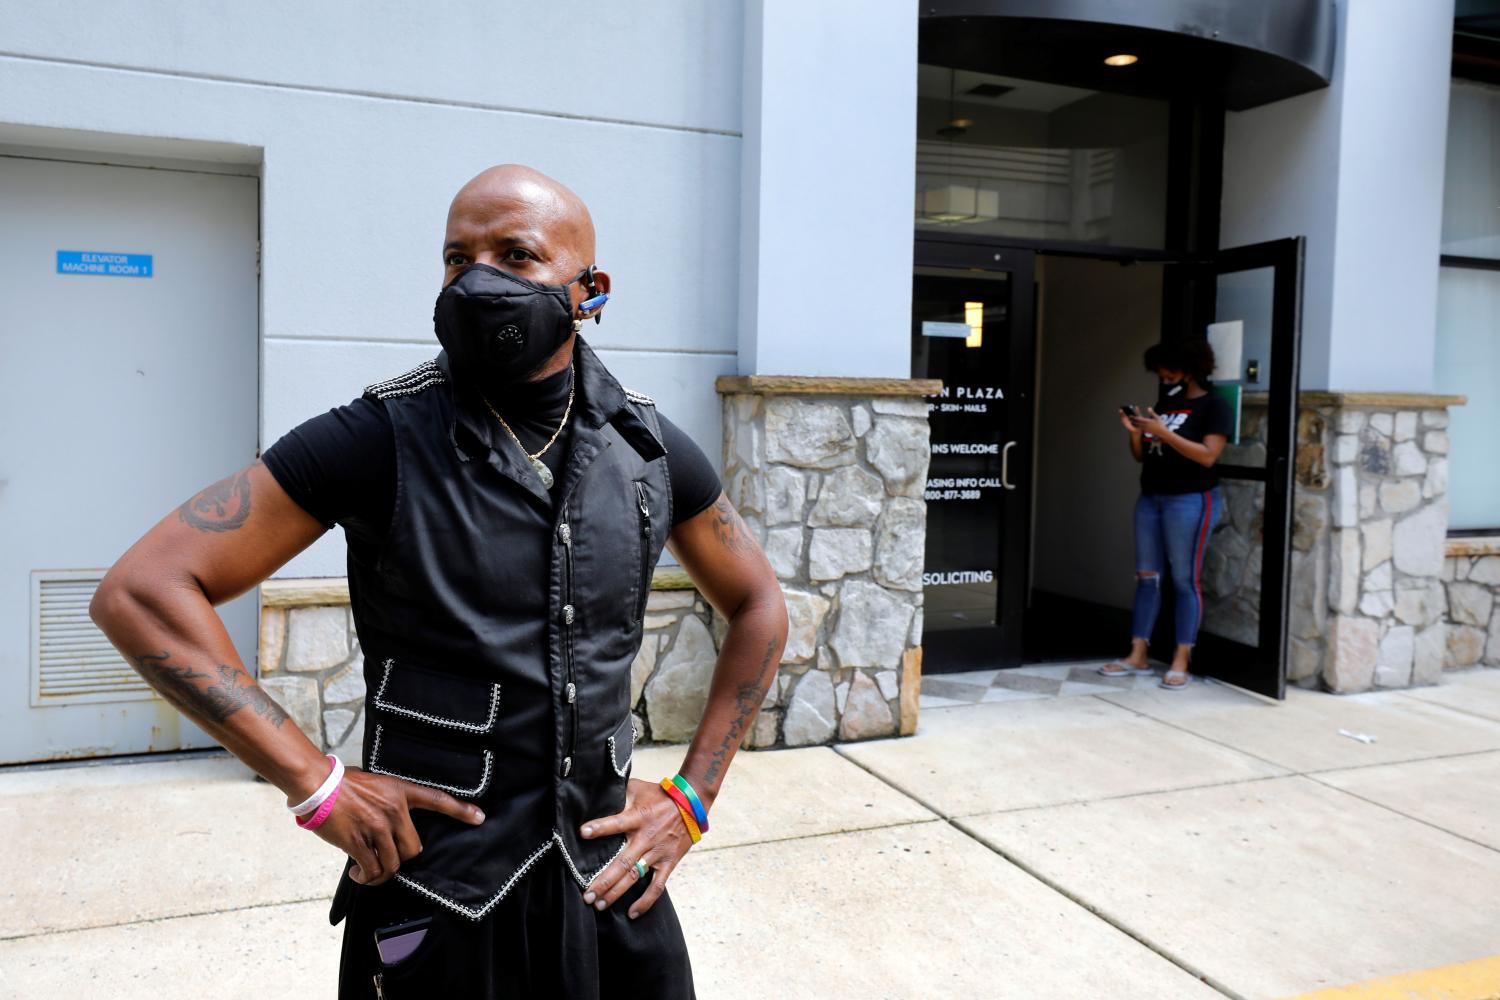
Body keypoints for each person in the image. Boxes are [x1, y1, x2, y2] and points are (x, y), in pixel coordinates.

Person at [89, 163, 789, 998]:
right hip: (440, 896)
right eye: (458, 258)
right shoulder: (376, 437)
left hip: (611, 887)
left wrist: (692, 798)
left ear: (590, 290)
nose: (478, 279)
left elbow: (759, 605)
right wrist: (315, 785)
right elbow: (144, 591)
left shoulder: (649, 447)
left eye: (516, 255)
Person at [1098, 339, 1230, 690]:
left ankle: (1181, 659)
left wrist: (1164, 433)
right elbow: (1143, 456)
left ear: (1192, 366)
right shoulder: (1167, 402)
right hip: (1152, 498)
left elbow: (1207, 456)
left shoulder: (1214, 406)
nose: (1164, 375)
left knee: (1185, 580)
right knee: (1146, 577)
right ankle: (1137, 653)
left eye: (1169, 369)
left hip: (1189, 500)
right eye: (1160, 370)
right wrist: (1137, 434)